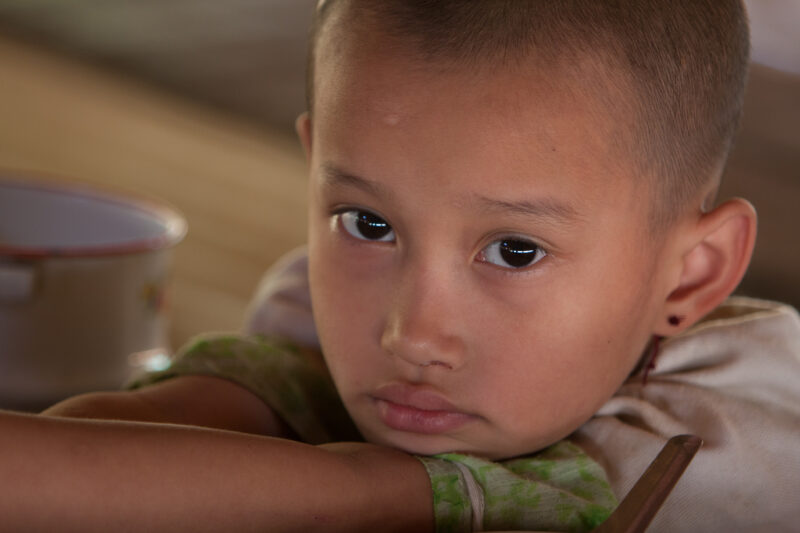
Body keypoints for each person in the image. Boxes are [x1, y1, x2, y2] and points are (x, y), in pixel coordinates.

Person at [1, 1, 799, 531]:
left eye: (514, 251)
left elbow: (357, 500)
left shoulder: (742, 440)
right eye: (370, 222)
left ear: (691, 274)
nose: (411, 333)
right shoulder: (318, 303)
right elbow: (132, 442)